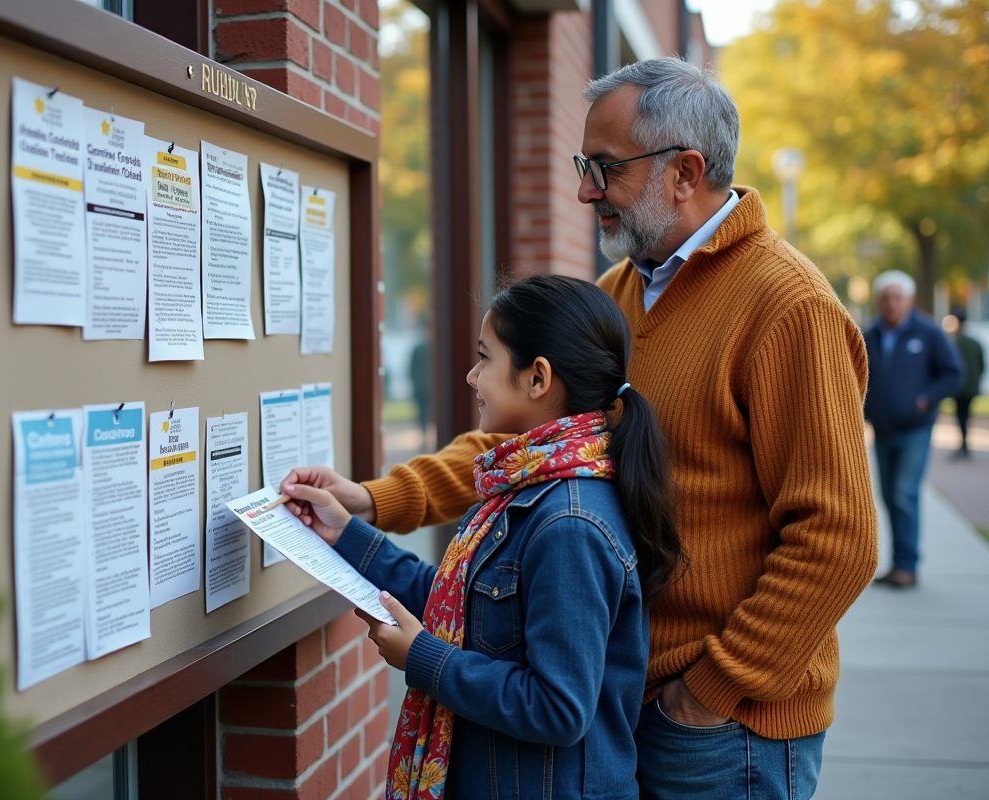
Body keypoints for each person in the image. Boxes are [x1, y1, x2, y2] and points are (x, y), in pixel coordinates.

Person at [283, 58, 879, 800]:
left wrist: (708, 694)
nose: (583, 190)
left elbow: (838, 538)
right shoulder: (624, 289)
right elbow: (522, 445)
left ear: (685, 173)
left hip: (726, 733)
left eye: (603, 167)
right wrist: (376, 500)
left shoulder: (790, 309)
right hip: (625, 698)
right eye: (580, 164)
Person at [283, 275, 683, 800]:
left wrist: (424, 657)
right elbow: (463, 602)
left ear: (537, 378)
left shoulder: (569, 526)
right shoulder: (526, 487)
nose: (472, 376)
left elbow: (558, 709)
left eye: (484, 358)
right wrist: (345, 533)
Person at [863, 271, 963, 587]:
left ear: (910, 300)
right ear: (879, 301)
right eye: (885, 298)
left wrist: (925, 399)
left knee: (905, 493)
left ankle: (907, 565)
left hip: (915, 431)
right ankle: (898, 563)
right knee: (890, 497)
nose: (891, 304)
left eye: (897, 297)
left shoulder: (929, 333)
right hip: (882, 429)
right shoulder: (869, 334)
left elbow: (953, 373)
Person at [950, 307, 985, 458]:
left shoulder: (955, 342)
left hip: (960, 387)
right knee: (966, 414)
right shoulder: (975, 342)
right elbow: (982, 364)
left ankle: (963, 445)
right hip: (972, 386)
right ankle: (965, 444)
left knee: (961, 415)